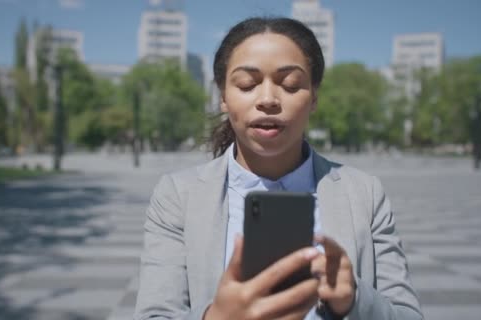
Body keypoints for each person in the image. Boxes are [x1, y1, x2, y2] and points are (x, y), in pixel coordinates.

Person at [133, 17, 422, 320]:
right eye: (247, 84)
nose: (268, 99)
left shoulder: (364, 193)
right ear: (222, 97)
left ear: (314, 97)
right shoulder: (178, 196)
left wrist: (355, 298)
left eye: (290, 85)